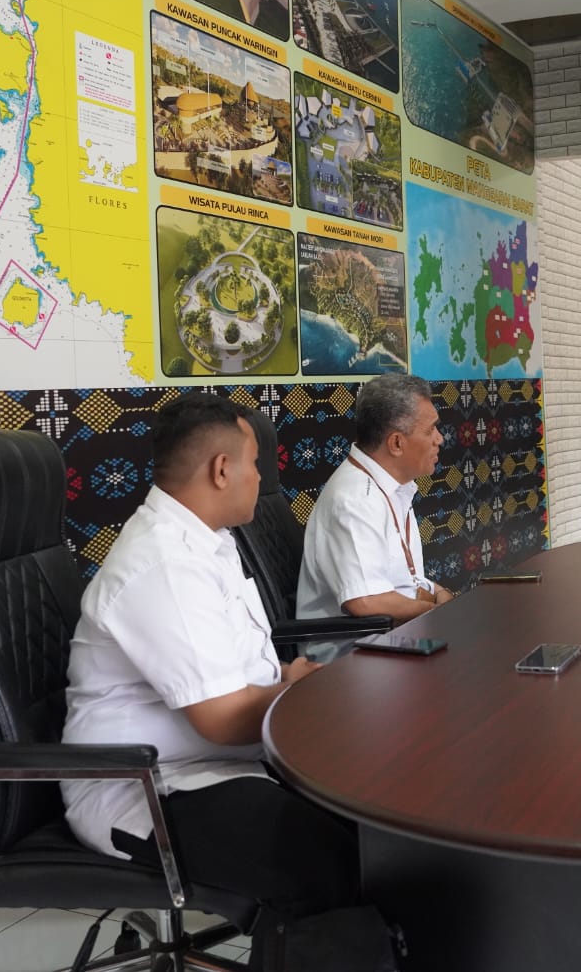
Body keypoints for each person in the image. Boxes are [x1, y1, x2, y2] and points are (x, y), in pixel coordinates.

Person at [61, 393, 363, 970]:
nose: (259, 477)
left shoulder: (206, 542)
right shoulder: (164, 564)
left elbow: (236, 671)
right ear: (222, 469)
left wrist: (288, 682)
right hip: (149, 788)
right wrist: (303, 691)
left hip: (215, 765)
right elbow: (222, 721)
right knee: (323, 865)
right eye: (254, 464)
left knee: (373, 826)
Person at [296, 373, 454, 658]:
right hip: (352, 659)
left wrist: (438, 592)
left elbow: (402, 580)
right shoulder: (356, 498)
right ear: (396, 443)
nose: (439, 439)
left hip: (394, 639)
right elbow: (367, 602)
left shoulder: (392, 488)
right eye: (431, 430)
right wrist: (436, 610)